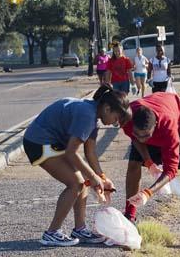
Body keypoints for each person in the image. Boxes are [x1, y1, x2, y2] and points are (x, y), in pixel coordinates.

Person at [22, 85, 131, 247]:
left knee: (83, 181)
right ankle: (51, 233)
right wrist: (93, 177)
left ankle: (79, 228)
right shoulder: (87, 116)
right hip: (38, 142)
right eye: (116, 119)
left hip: (51, 142)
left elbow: (90, 152)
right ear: (107, 108)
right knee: (76, 183)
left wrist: (101, 178)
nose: (115, 123)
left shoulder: (93, 115)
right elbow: (72, 152)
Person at [122, 92, 180, 240]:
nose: (141, 139)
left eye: (146, 136)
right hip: (158, 109)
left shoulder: (169, 130)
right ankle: (130, 216)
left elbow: (171, 171)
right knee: (133, 164)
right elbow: (135, 138)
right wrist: (149, 162)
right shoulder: (129, 118)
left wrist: (147, 193)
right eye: (137, 134)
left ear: (155, 127)